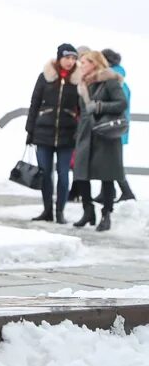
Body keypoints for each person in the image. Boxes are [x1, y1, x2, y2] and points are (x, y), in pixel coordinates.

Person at [72, 50, 128, 232]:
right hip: (85, 134)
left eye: (84, 62)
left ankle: (106, 215)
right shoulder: (82, 84)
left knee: (107, 176)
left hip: (105, 134)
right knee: (81, 174)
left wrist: (99, 106)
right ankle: (88, 211)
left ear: (95, 63)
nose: (81, 66)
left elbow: (122, 103)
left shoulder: (109, 81)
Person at [26, 44, 80, 224]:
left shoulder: (79, 80)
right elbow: (34, 103)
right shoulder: (45, 76)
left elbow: (83, 108)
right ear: (59, 58)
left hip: (68, 134)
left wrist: (79, 131)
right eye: (67, 58)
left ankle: (60, 212)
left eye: (73, 58)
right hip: (44, 132)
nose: (70, 62)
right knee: (45, 173)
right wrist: (30, 130)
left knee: (64, 174)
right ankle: (47, 210)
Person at [98, 49, 136, 203]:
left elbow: (119, 104)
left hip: (113, 128)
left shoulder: (114, 79)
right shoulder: (118, 78)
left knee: (113, 163)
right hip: (115, 127)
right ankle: (107, 192)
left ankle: (127, 192)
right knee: (106, 161)